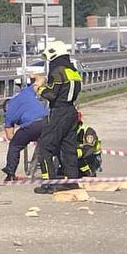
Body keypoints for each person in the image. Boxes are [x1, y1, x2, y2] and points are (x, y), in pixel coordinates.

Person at [34, 40, 83, 193]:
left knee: (44, 147)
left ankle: (49, 183)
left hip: (59, 112)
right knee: (68, 148)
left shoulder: (58, 71)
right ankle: (72, 181)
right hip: (71, 112)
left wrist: (39, 86)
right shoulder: (73, 71)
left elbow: (52, 94)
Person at [1, 70, 48, 181]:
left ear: (5, 107)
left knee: (14, 146)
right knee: (46, 147)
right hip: (47, 121)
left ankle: (10, 172)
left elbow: (10, 136)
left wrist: (23, 138)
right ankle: (50, 173)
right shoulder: (25, 92)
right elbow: (42, 80)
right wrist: (35, 75)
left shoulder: (8, 113)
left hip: (31, 126)